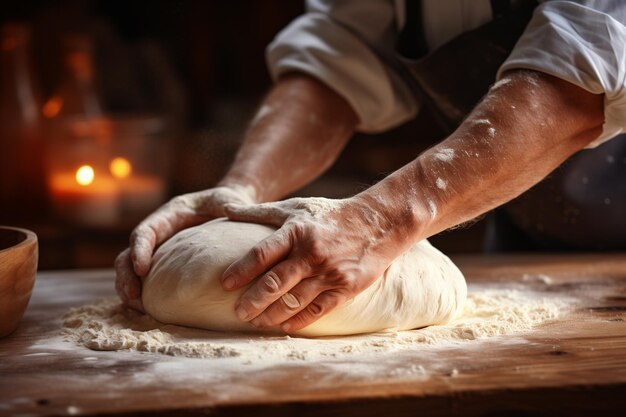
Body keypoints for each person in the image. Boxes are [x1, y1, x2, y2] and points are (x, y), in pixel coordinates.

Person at [115, 0, 626, 334]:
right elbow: (337, 56)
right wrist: (240, 188)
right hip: (528, 242)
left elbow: (573, 88)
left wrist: (378, 221)